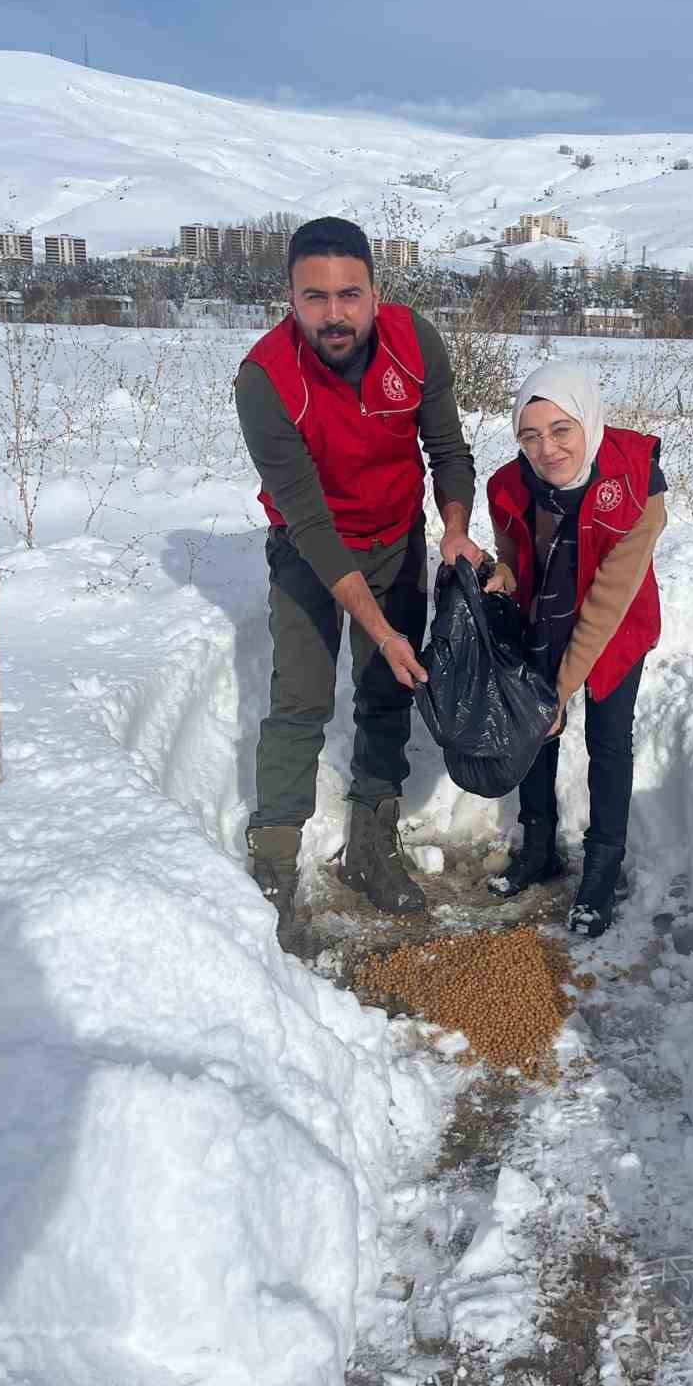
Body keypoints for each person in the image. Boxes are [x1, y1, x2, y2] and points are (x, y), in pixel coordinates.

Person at [235, 216, 483, 945]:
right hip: (312, 550)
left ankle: (373, 841)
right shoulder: (266, 380)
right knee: (301, 700)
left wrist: (457, 528)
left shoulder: (415, 341)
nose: (334, 314)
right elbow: (310, 524)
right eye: (315, 297)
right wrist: (379, 627)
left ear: (376, 293)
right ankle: (274, 861)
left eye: (350, 295)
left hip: (397, 537)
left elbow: (447, 448)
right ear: (289, 297)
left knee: (385, 690)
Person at [484, 364, 666, 938]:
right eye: (530, 436)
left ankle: (602, 868)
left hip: (617, 622)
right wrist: (501, 577)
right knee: (536, 731)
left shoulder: (636, 486)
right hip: (546, 615)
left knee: (608, 739)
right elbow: (512, 549)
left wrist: (559, 692)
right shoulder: (508, 486)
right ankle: (540, 849)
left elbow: (608, 602)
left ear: (588, 421)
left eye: (561, 430)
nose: (547, 449)